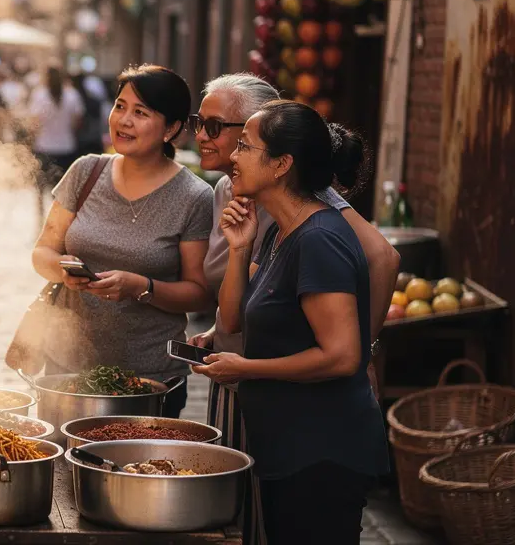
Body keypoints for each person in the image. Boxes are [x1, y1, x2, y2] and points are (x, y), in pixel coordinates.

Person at [186, 73, 400, 544]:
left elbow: (343, 356)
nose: (233, 156)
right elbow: (234, 319)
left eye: (244, 145)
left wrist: (249, 367)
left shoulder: (320, 238)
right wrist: (239, 250)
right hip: (288, 445)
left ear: (282, 164)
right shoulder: (277, 230)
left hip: (322, 452)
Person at [27, 64, 214, 418]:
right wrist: (64, 272)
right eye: (120, 106)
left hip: (149, 379)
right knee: (65, 472)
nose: (124, 120)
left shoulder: (194, 197)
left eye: (140, 113)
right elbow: (42, 252)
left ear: (171, 129)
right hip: (68, 369)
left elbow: (199, 292)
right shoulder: (86, 171)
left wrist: (140, 286)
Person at [28, 65, 86, 204]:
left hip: (44, 147)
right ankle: (58, 221)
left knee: (40, 189)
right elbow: (77, 123)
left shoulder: (39, 94)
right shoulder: (72, 94)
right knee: (63, 192)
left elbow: (34, 123)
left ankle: (41, 220)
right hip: (66, 148)